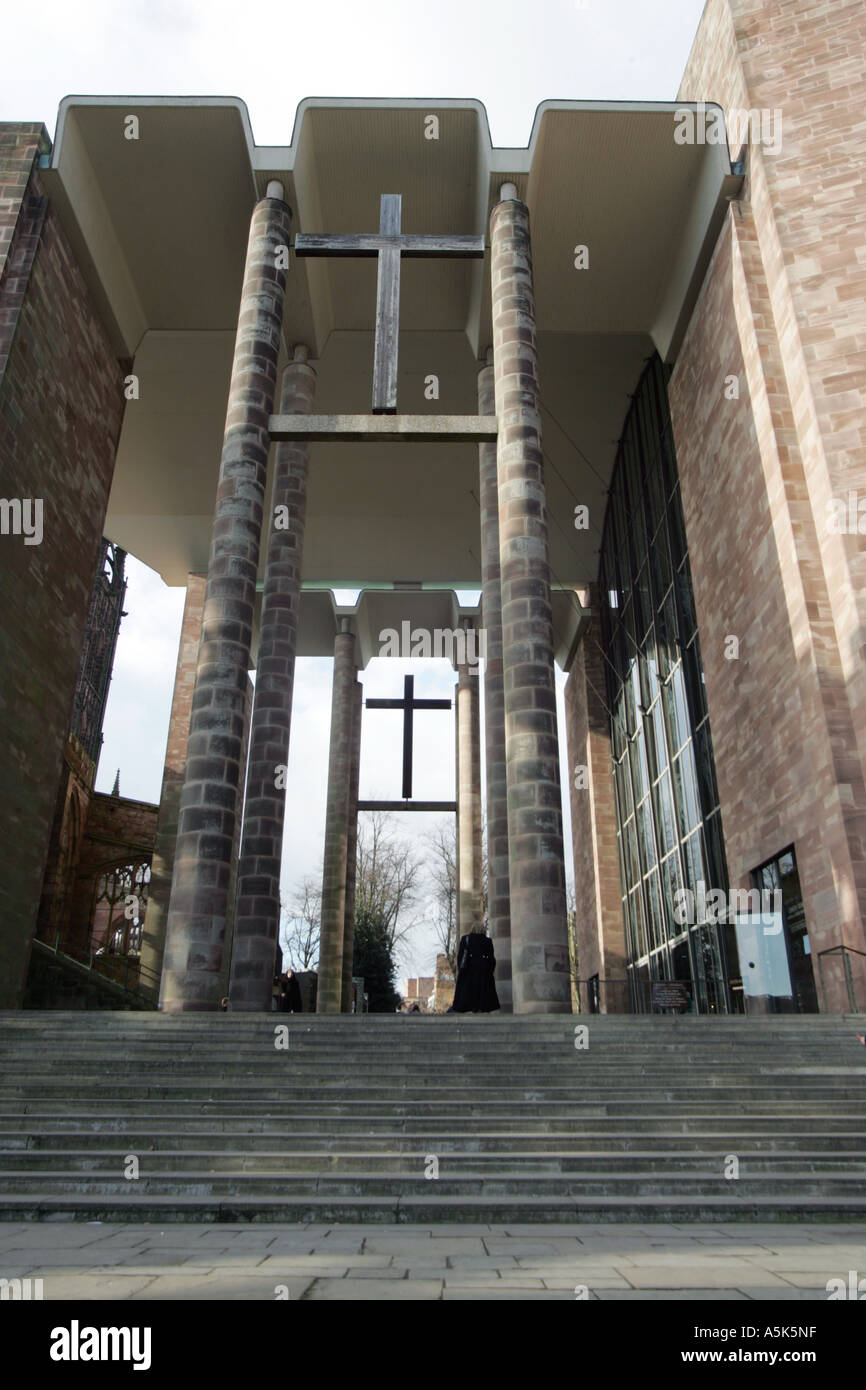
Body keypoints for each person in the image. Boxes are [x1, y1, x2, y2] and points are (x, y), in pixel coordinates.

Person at [449, 920, 499, 1013]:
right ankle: (481, 1008)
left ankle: (470, 1008)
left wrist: (462, 970)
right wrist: (489, 971)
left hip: (469, 969)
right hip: (483, 970)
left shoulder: (465, 939)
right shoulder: (487, 941)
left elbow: (460, 956)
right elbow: (491, 959)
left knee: (469, 991)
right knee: (482, 991)